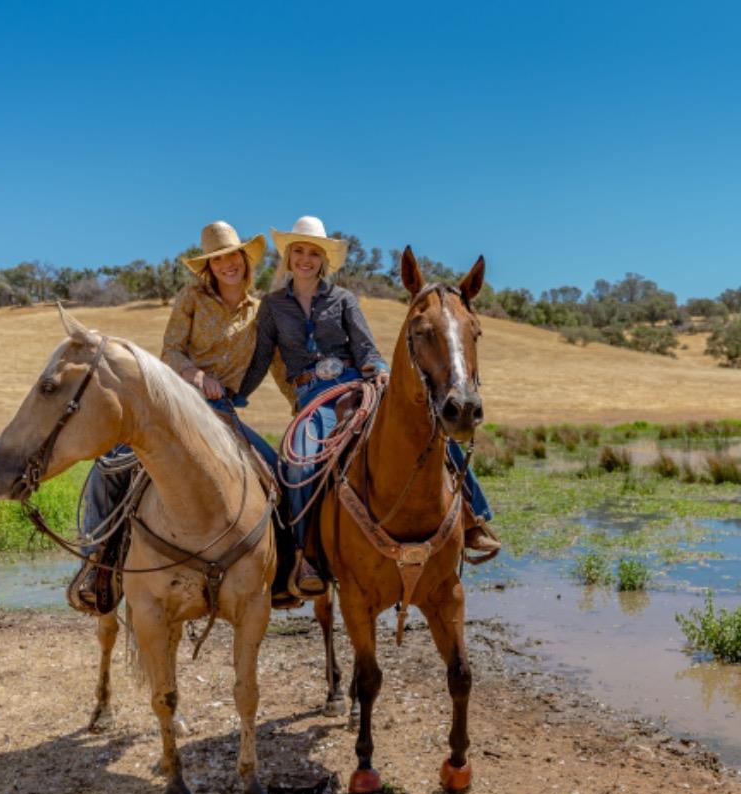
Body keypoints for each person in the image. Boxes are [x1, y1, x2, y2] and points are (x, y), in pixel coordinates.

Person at [237, 216, 498, 597]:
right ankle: (306, 554)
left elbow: (365, 347)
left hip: (356, 385)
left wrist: (376, 370)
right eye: (299, 252)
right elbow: (261, 358)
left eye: (313, 253)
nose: (306, 259)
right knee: (298, 464)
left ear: (323, 259)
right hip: (313, 398)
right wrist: (235, 394)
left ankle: (474, 518)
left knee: (431, 431)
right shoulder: (273, 307)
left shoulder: (343, 299)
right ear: (288, 257)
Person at [68, 220, 288, 613]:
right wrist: (197, 376)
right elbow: (170, 351)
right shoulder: (191, 297)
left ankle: (281, 571)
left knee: (275, 473)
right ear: (210, 266)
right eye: (217, 259)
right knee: (109, 466)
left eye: (231, 256)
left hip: (223, 413)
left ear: (244, 259)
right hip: (177, 405)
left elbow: (276, 364)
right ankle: (96, 562)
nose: (226, 265)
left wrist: (302, 403)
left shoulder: (261, 312)